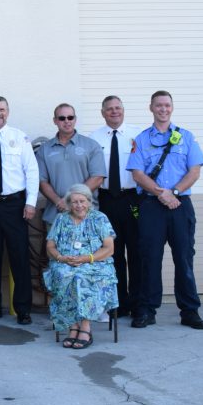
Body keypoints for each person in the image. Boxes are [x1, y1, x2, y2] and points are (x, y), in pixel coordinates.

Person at [128, 91, 203, 330]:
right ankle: (146, 310)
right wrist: (160, 193)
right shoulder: (141, 139)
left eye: (167, 105)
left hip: (180, 205)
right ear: (150, 108)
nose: (163, 109)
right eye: (158, 105)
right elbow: (137, 173)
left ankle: (190, 311)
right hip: (152, 206)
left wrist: (173, 192)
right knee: (149, 259)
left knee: (184, 258)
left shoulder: (186, 137)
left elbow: (194, 171)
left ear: (172, 108)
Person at [0, 96, 39, 325]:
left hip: (15, 205)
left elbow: (31, 171)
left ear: (7, 112)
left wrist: (31, 202)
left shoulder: (20, 138)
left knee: (19, 257)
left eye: (2, 109)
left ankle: (23, 309)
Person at [43, 184, 119, 349]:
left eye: (82, 201)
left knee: (80, 278)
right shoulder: (61, 219)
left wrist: (87, 258)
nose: (79, 205)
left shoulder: (99, 218)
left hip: (95, 263)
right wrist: (61, 258)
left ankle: (85, 327)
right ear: (69, 203)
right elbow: (50, 246)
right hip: (65, 262)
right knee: (64, 275)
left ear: (89, 202)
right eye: (74, 202)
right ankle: (73, 326)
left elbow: (109, 248)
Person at [89, 96, 141, 317]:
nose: (114, 112)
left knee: (137, 253)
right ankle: (118, 303)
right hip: (107, 200)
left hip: (133, 200)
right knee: (113, 254)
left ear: (123, 110)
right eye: (109, 109)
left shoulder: (138, 135)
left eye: (118, 108)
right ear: (102, 112)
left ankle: (139, 306)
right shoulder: (94, 138)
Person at [36, 103, 106, 226]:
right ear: (55, 121)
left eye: (70, 117)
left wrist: (71, 200)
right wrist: (59, 201)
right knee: (54, 246)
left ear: (75, 119)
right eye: (62, 118)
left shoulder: (91, 145)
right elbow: (42, 182)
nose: (67, 121)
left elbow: (97, 177)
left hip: (87, 215)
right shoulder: (44, 149)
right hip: (56, 215)